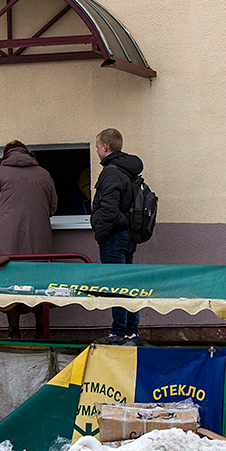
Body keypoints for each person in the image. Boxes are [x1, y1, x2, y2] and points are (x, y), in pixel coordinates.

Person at [0, 140, 58, 339]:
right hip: (40, 241)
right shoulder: (44, 174)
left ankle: (14, 331)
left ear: (6, 155)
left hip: (7, 241)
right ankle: (41, 330)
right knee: (40, 284)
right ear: (28, 154)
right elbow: (53, 207)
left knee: (9, 284)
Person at [91, 128, 144, 343]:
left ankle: (119, 333)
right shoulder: (127, 170)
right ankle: (131, 330)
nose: (96, 151)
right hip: (128, 236)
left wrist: (101, 234)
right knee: (127, 285)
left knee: (116, 288)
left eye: (96, 146)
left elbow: (109, 209)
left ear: (105, 146)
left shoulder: (111, 172)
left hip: (114, 237)